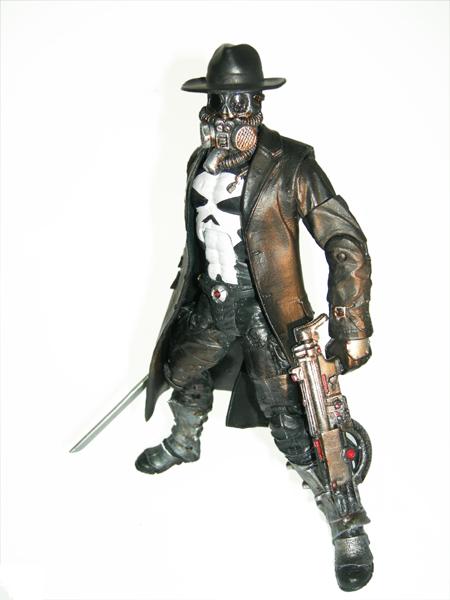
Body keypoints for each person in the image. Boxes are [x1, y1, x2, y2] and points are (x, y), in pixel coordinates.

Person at [136, 44, 374, 591]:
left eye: (240, 101)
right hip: (211, 302)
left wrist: (352, 326)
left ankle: (347, 522)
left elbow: (346, 243)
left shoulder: (292, 165)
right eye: (220, 101)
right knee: (181, 369)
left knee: (295, 422)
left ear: (259, 104)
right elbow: (198, 240)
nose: (228, 114)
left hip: (271, 315)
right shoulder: (198, 163)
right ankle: (186, 440)